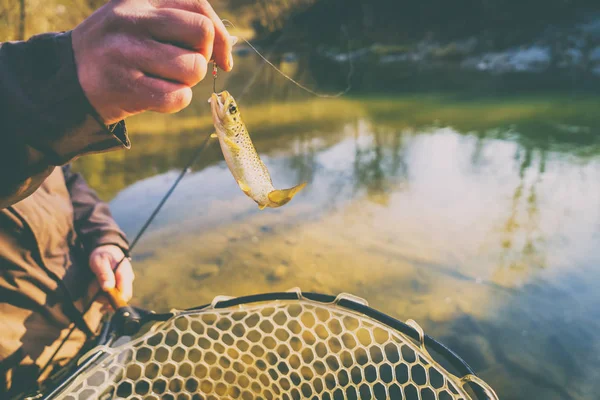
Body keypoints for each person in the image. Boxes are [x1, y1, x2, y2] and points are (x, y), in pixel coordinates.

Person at [0, 0, 235, 396]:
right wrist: (62, 79)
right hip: (21, 376)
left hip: (99, 329)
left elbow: (68, 182)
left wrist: (106, 239)